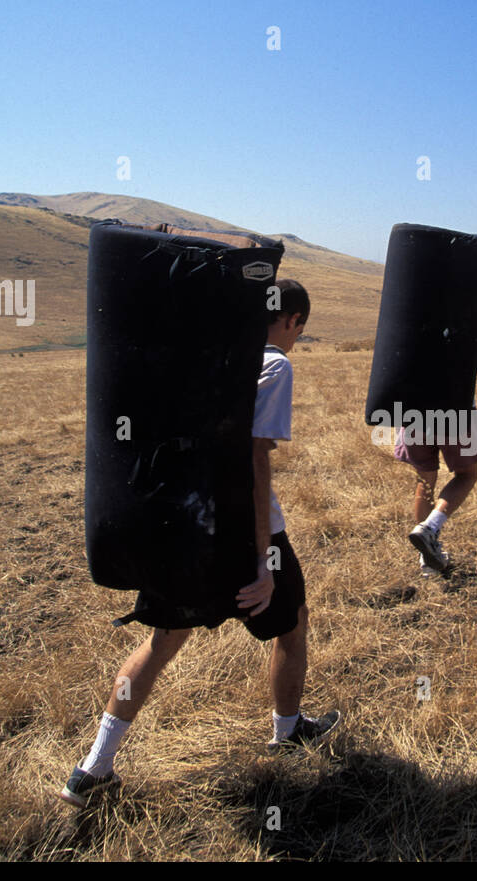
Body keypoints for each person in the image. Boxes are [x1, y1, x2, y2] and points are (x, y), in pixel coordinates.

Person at [60, 278, 338, 807]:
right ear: (292, 321)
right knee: (292, 621)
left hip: (181, 525)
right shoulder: (274, 364)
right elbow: (256, 461)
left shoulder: (201, 356)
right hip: (240, 531)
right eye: (299, 328)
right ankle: (287, 731)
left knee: (162, 642)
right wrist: (262, 560)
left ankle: (93, 767)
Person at [395, 305, 477, 577]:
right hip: (457, 407)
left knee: (424, 480)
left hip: (414, 408)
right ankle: (430, 528)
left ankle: (427, 560)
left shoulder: (412, 298)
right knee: (467, 475)